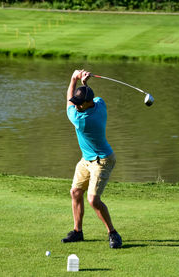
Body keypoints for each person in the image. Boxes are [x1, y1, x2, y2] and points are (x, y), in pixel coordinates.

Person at [61, 69, 122, 249]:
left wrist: (74, 78)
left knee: (93, 199)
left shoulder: (81, 120)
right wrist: (85, 85)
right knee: (75, 192)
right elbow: (87, 98)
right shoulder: (99, 104)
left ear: (87, 103)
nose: (77, 105)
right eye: (77, 103)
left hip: (102, 160)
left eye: (80, 103)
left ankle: (113, 233)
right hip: (86, 159)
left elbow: (68, 101)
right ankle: (77, 232)